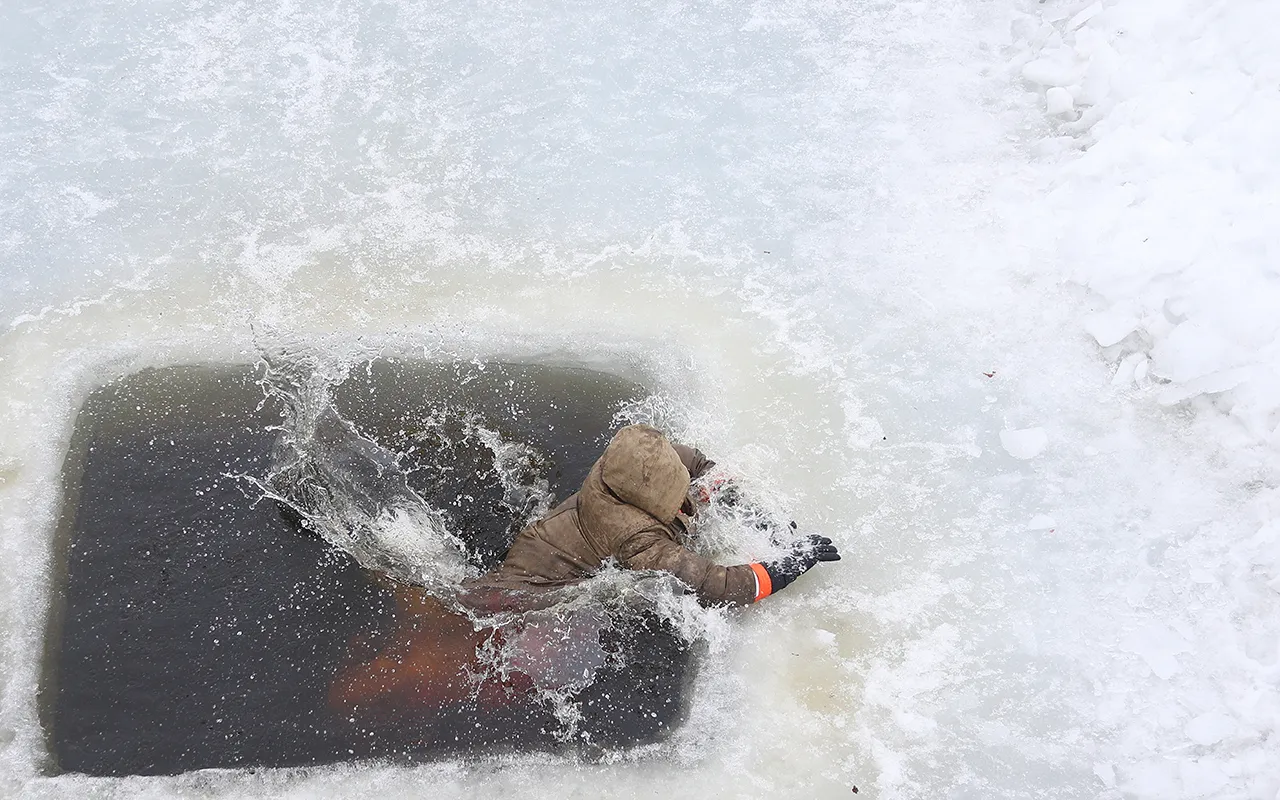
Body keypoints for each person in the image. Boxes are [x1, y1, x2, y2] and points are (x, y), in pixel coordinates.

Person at [461, 423, 840, 608]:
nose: (686, 503)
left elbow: (696, 463)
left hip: (541, 544)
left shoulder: (630, 458)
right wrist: (790, 563)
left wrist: (754, 513)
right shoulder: (637, 538)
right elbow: (720, 587)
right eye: (679, 501)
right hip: (526, 594)